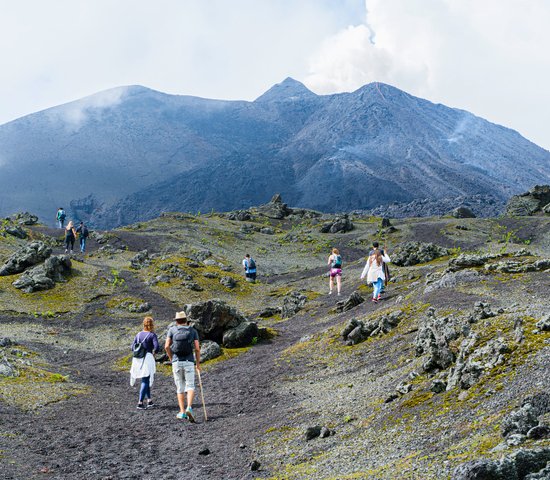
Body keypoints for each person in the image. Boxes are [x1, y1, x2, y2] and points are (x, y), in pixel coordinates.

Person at [165, 311, 201, 421]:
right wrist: (198, 364)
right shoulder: (192, 330)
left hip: (176, 362)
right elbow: (197, 348)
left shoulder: (172, 330)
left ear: (176, 321)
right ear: (186, 320)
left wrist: (172, 359)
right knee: (190, 386)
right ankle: (189, 407)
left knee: (179, 387)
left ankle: (182, 412)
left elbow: (166, 346)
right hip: (189, 361)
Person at [130, 317, 160, 409]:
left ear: (143, 324)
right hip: (147, 358)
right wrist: (154, 353)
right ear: (152, 324)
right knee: (145, 380)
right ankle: (140, 402)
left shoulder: (138, 334)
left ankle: (149, 401)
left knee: (145, 379)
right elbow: (157, 347)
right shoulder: (152, 335)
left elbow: (132, 347)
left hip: (137, 359)